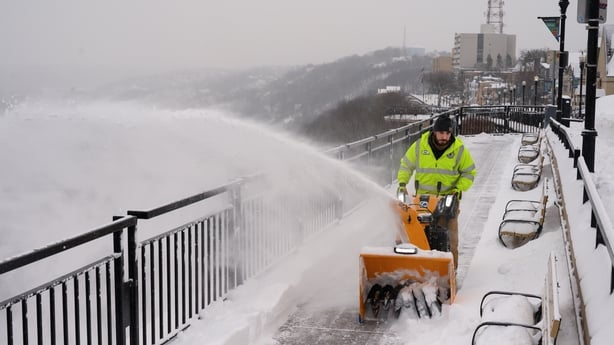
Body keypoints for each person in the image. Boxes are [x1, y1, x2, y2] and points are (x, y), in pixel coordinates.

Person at [397, 115, 476, 269]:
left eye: (447, 133)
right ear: (434, 132)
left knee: (449, 240)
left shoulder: (458, 149)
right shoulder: (420, 146)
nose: (444, 137)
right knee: (410, 233)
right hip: (420, 202)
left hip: (447, 201)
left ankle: (451, 272)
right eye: (441, 133)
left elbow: (469, 173)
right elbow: (406, 165)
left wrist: (458, 189)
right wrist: (402, 183)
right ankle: (408, 265)